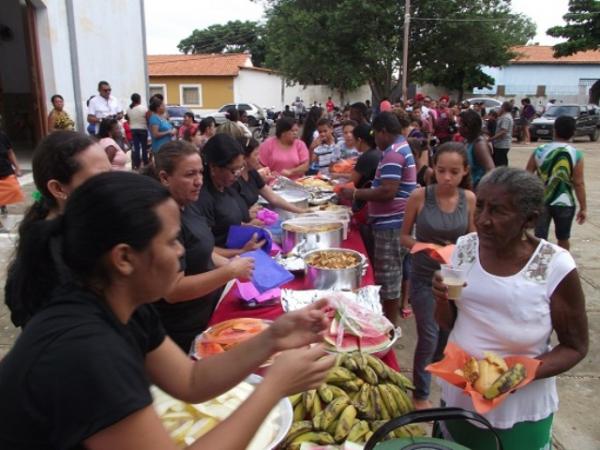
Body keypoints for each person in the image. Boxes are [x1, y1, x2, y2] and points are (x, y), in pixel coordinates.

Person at [0, 170, 335, 449]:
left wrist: (273, 338)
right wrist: (273, 388)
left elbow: (190, 379)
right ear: (124, 258)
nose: (181, 253)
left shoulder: (127, 307)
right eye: (172, 241)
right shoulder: (86, 351)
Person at [433, 167, 588, 450]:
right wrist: (442, 298)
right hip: (461, 395)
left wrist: (517, 375)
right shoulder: (465, 248)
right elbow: (448, 323)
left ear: (529, 219)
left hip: (519, 408)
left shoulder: (554, 265)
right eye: (480, 206)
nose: (482, 220)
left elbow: (576, 346)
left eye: (498, 211)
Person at [149, 141, 255, 350]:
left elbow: (204, 249)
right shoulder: (164, 222)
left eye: (200, 173)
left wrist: (234, 262)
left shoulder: (189, 206)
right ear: (164, 178)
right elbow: (173, 290)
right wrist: (230, 271)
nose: (198, 181)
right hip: (185, 328)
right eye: (190, 175)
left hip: (210, 308)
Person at [5, 131, 111, 327]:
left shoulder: (90, 229)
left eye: (111, 174)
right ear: (58, 189)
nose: (112, 186)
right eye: (99, 179)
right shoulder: (50, 258)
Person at [401, 142, 476, 410]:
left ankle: (444, 381)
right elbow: (404, 236)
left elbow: (473, 239)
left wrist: (455, 251)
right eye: (441, 170)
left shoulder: (468, 199)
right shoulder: (419, 196)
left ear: (465, 172)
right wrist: (425, 247)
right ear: (432, 168)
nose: (446, 177)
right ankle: (420, 393)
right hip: (423, 276)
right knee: (429, 334)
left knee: (448, 335)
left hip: (454, 279)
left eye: (454, 172)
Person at [339, 112, 417, 325]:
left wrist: (354, 194)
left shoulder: (393, 153)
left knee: (389, 279)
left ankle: (389, 327)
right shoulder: (399, 147)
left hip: (392, 225)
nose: (374, 139)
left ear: (383, 131)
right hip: (396, 222)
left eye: (376, 133)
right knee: (394, 273)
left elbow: (387, 192)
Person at [526, 115, 586, 251]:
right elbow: (579, 183)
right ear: (573, 132)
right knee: (563, 238)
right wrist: (583, 207)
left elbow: (527, 176)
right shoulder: (576, 154)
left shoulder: (539, 150)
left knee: (540, 239)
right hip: (565, 203)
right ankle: (563, 266)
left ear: (554, 130)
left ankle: (540, 266)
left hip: (542, 201)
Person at [196, 134, 265, 248]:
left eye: (240, 168)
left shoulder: (227, 185)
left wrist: (246, 226)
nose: (238, 175)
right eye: (233, 170)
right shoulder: (203, 198)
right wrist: (241, 252)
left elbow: (226, 225)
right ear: (214, 168)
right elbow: (206, 250)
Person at [237, 138, 308, 216]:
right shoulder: (235, 180)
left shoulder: (253, 173)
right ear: (244, 158)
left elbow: (273, 198)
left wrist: (299, 211)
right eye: (256, 154)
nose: (259, 158)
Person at [349, 124, 381, 262]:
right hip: (375, 206)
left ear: (360, 140)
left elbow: (351, 183)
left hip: (365, 208)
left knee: (368, 245)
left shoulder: (366, 158)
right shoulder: (378, 153)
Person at [458, 109, 495, 189]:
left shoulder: (479, 145)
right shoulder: (467, 141)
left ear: (467, 127)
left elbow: (491, 170)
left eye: (460, 125)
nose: (458, 127)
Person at [0, 131, 24, 217]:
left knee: (15, 189)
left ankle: (3, 204)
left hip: (5, 169)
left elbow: (10, 152)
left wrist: (17, 168)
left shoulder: (2, 135)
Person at [126, 93, 149, 170]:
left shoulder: (129, 109)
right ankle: (145, 163)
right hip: (142, 129)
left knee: (136, 148)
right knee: (144, 147)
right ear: (139, 99)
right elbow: (147, 118)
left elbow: (128, 120)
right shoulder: (143, 108)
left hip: (133, 130)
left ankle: (137, 164)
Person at [489, 101, 514, 167]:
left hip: (502, 144)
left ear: (504, 107)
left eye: (501, 107)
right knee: (498, 161)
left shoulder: (506, 118)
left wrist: (491, 138)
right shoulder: (505, 116)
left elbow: (503, 131)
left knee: (500, 163)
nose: (500, 108)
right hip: (499, 144)